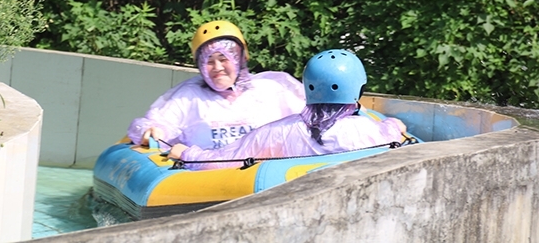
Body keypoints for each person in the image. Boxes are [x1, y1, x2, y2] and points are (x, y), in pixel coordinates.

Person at [167, 49, 407, 170]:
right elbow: (394, 134)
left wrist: (187, 154)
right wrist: (394, 124)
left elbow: (225, 160)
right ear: (359, 89)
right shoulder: (370, 131)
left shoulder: (278, 132)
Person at [127, 20, 306, 149]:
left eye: (224, 58)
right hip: (207, 179)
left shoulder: (272, 89)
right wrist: (152, 132)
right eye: (209, 61)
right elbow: (156, 124)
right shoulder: (187, 97)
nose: (217, 68)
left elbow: (311, 118)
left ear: (242, 58)